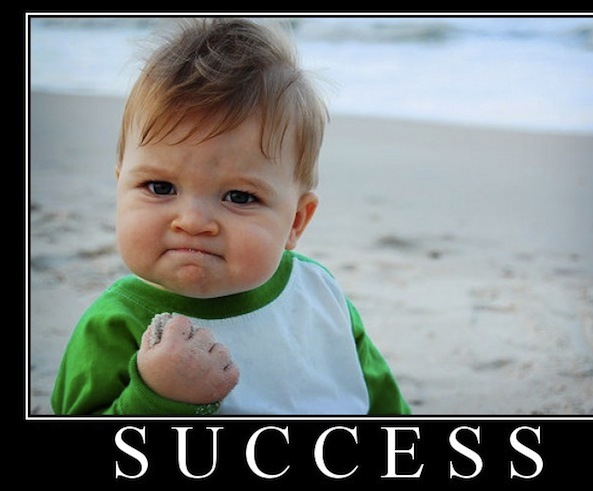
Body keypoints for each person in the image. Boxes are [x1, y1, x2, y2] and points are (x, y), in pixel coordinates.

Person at [51, 18, 411, 416]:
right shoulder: (115, 325)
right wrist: (157, 396)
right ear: (121, 186)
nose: (192, 221)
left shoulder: (318, 295)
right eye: (160, 187)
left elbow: (383, 404)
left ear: (296, 221)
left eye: (239, 196)